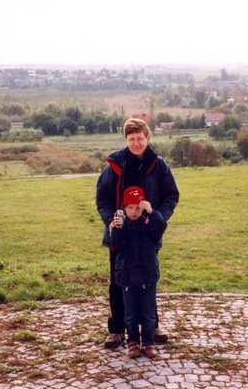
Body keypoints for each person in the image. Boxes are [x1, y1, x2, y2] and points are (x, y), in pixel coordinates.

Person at [96, 117, 179, 349]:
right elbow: (102, 197)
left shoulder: (159, 164)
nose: (135, 143)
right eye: (131, 139)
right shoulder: (115, 164)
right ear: (125, 139)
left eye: (139, 138)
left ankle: (151, 326)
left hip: (148, 234)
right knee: (118, 280)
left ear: (148, 138)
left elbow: (171, 195)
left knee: (148, 279)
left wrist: (158, 217)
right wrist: (110, 220)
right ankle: (117, 329)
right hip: (120, 233)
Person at [109, 186, 166, 359]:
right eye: (130, 208)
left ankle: (148, 343)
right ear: (124, 209)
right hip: (127, 277)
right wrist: (115, 229)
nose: (134, 212)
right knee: (130, 313)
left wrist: (152, 212)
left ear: (143, 207)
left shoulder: (149, 223)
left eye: (138, 207)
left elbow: (160, 228)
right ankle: (132, 342)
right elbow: (117, 246)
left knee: (148, 314)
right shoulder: (122, 226)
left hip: (147, 276)